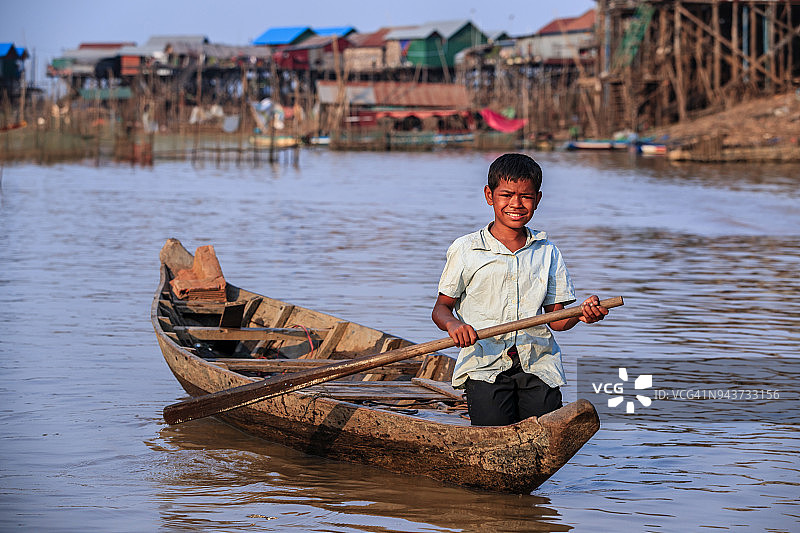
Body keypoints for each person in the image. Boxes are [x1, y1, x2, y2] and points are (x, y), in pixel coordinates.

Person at [432, 153, 609, 426]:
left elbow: (558, 321)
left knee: (545, 432)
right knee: (492, 436)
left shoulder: (547, 251)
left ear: (537, 199)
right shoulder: (466, 249)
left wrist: (582, 314)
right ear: (489, 195)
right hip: (484, 364)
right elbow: (441, 308)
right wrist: (454, 325)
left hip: (538, 363)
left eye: (525, 196)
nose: (516, 204)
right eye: (506, 195)